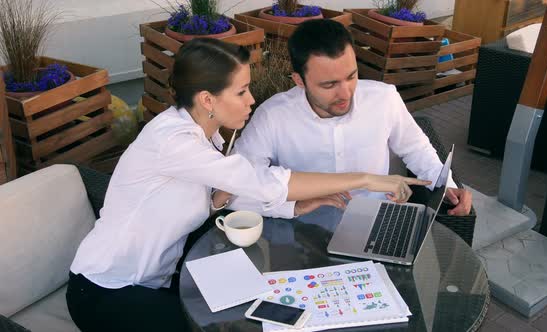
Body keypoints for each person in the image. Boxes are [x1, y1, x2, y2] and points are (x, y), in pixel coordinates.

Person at [65, 38, 430, 332]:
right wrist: (365, 178)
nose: (252, 99)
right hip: (106, 289)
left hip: (159, 279)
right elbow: (259, 180)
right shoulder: (172, 142)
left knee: (259, 310)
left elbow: (231, 192)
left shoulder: (205, 139)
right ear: (208, 99)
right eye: (241, 92)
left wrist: (294, 206)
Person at [227, 19, 472, 219]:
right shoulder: (273, 116)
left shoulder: (383, 98)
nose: (345, 93)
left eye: (351, 76)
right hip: (299, 230)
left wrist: (446, 186)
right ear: (299, 81)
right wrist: (291, 207)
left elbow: (416, 148)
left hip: (375, 221)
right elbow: (234, 189)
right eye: (329, 84)